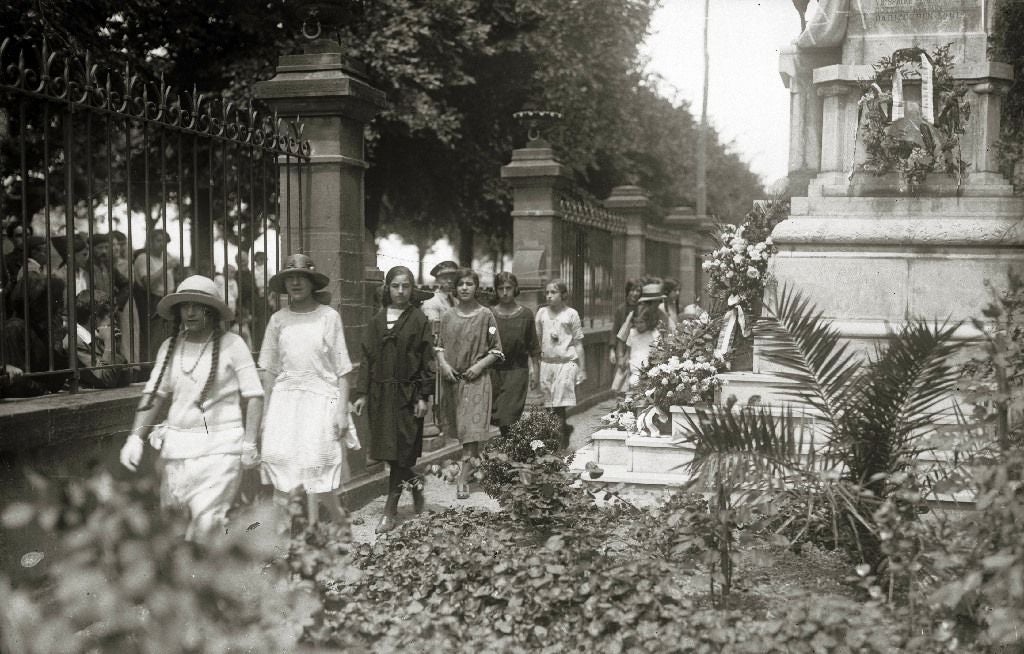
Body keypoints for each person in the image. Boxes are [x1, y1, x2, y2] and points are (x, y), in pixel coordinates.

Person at [118, 275, 264, 543]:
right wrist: (134, 437)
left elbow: (255, 395)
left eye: (198, 305)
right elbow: (154, 393)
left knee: (206, 525)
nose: (191, 312)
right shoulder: (169, 348)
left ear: (212, 310)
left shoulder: (234, 345)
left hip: (220, 449)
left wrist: (249, 443)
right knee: (173, 527)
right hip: (177, 450)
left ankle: (211, 581)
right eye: (185, 306)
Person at [258, 253, 352, 530]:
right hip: (285, 403)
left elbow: (343, 369)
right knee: (282, 467)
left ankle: (333, 524)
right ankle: (286, 540)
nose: (296, 283)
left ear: (312, 283)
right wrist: (265, 414)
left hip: (320, 401)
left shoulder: (328, 317)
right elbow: (269, 370)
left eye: (301, 278)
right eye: (290, 279)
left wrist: (341, 412)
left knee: (317, 469)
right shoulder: (278, 320)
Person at [352, 265, 434, 533]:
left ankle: (390, 509)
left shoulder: (419, 321)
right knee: (389, 452)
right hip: (380, 395)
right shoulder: (376, 321)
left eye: (406, 286)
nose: (400, 291)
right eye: (396, 285)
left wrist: (423, 395)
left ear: (412, 290)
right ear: (387, 288)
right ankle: (415, 484)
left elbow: (426, 360)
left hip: (408, 395)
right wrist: (362, 392)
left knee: (403, 452)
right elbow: (366, 358)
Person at [436, 268, 503, 499]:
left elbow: (497, 350)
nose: (465, 288)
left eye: (469, 284)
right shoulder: (447, 316)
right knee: (461, 431)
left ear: (476, 287)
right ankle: (474, 465)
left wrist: (479, 366)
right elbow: (439, 346)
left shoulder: (487, 316)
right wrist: (444, 365)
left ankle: (463, 477)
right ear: (455, 288)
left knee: (471, 430)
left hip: (477, 380)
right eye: (461, 284)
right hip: (453, 380)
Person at [534, 279, 586, 449]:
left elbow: (578, 343)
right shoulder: (541, 313)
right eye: (547, 292)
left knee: (559, 406)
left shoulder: (571, 314)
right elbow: (537, 341)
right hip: (547, 364)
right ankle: (562, 431)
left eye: (553, 292)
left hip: (566, 364)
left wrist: (582, 369)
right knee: (549, 406)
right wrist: (533, 368)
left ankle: (558, 444)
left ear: (563, 295)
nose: (549, 296)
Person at [489, 272, 539, 436]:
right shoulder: (489, 314)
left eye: (508, 288)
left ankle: (508, 453)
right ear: (495, 290)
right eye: (500, 288)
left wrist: (535, 372)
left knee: (508, 416)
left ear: (515, 289)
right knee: (495, 414)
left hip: (517, 371)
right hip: (493, 372)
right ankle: (508, 450)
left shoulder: (525, 314)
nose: (504, 292)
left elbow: (533, 347)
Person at [66, 290, 130, 389]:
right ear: (94, 319)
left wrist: (114, 346)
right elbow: (106, 380)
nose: (115, 321)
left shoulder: (98, 336)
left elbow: (125, 377)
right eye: (111, 317)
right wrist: (110, 345)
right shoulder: (75, 343)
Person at [133, 229, 181, 361]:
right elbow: (148, 283)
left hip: (169, 299)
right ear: (150, 242)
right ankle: (150, 370)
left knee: (169, 337)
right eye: (159, 241)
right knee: (154, 340)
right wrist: (165, 267)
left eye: (165, 242)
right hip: (153, 301)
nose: (162, 245)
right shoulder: (143, 258)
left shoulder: (166, 257)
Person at [622, 303, 660, 391]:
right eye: (636, 322)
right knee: (632, 392)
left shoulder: (654, 334)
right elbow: (629, 350)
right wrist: (625, 359)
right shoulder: (632, 333)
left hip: (649, 371)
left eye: (641, 322)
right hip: (634, 369)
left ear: (648, 321)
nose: (638, 325)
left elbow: (657, 352)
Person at [609, 278, 642, 369]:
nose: (635, 293)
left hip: (637, 348)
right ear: (628, 291)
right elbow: (615, 330)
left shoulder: (642, 309)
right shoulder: (621, 309)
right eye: (632, 290)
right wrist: (612, 350)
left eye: (638, 291)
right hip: (621, 350)